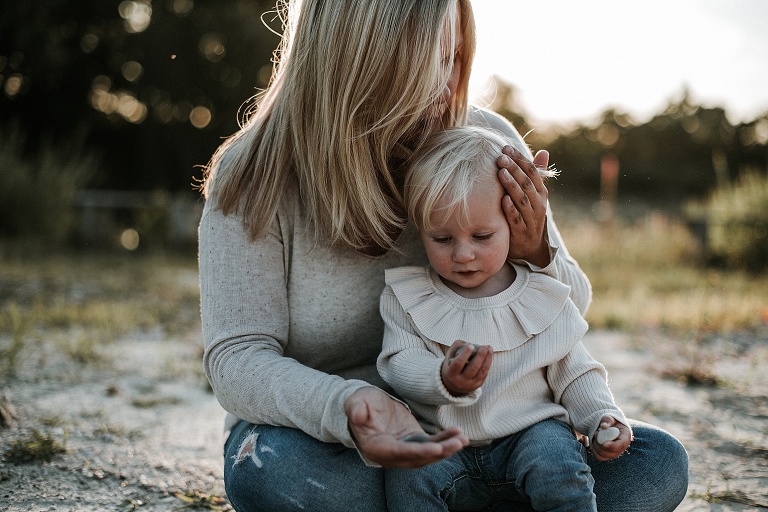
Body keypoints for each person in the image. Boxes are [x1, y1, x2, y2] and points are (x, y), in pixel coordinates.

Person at [197, 1, 688, 511]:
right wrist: (350, 407)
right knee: (275, 468)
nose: (446, 87)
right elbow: (238, 359)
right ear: (354, 59)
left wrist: (536, 251)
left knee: (655, 463)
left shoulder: (485, 144)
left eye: (454, 58)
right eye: (423, 63)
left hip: (498, 435)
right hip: (336, 441)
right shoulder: (256, 174)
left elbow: (569, 311)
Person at [377, 125, 631, 511]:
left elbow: (575, 371)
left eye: (482, 236)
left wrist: (602, 418)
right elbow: (399, 362)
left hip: (530, 434)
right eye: (442, 239)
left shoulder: (542, 292)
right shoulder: (409, 297)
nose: (463, 254)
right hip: (444, 440)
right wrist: (442, 378)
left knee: (559, 462)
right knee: (408, 474)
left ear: (513, 222)